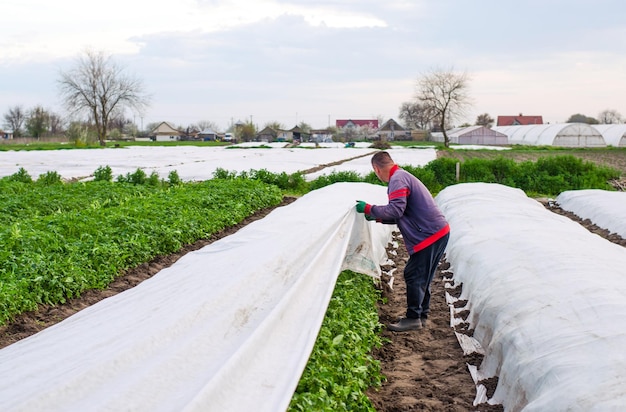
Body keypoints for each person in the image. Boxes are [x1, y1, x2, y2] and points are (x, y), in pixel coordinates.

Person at [355, 151, 450, 332]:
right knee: (423, 277)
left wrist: (369, 208)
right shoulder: (402, 176)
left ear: (376, 169)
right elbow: (403, 213)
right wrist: (377, 217)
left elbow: (395, 211)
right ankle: (421, 316)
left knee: (413, 274)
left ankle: (413, 318)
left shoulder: (397, 180)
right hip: (437, 232)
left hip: (429, 234)